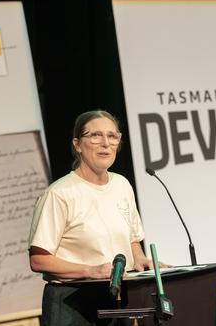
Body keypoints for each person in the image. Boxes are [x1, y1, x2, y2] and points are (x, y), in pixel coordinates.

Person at [28, 110, 160, 326]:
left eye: (112, 136)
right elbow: (38, 259)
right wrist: (90, 271)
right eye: (96, 135)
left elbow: (132, 240)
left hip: (117, 300)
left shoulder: (122, 185)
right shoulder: (59, 194)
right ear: (77, 144)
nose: (105, 143)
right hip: (73, 303)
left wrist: (141, 260)